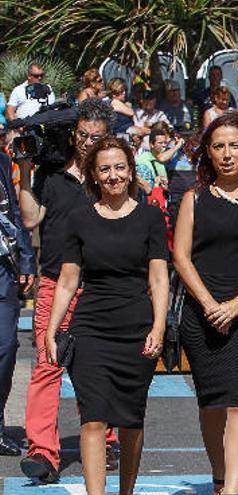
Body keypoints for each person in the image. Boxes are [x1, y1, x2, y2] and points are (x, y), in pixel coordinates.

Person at [45, 137, 169, 495]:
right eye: (105, 169)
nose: (113, 176)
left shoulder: (150, 216)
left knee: (132, 419)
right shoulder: (79, 218)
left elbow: (159, 278)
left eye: (119, 168)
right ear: (93, 175)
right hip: (91, 330)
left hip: (137, 327)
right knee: (93, 417)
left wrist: (159, 327)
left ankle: (125, 492)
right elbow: (68, 280)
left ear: (131, 171)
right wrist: (53, 329)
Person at [173, 113, 238, 495]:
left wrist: (236, 304)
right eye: (218, 146)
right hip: (200, 316)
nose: (227, 154)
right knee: (212, 402)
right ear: (208, 153)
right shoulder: (194, 198)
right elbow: (181, 257)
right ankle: (219, 479)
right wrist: (208, 304)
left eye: (235, 145)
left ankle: (231, 490)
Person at [16, 99, 119, 483]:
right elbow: (30, 218)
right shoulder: (51, 173)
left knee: (95, 366)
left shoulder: (110, 175)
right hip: (53, 283)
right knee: (47, 366)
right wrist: (25, 171)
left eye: (97, 136)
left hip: (100, 283)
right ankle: (42, 452)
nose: (89, 142)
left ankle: (105, 439)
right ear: (73, 134)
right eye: (83, 135)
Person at [0, 140, 35, 456]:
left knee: (6, 348)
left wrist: (26, 257)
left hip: (2, 269)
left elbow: (12, 212)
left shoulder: (0, 161)